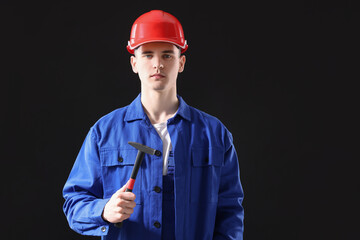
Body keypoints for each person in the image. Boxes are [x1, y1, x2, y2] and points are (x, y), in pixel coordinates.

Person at [63, 10, 244, 240]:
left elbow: (230, 213)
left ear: (181, 62)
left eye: (167, 55)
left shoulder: (214, 134)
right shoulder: (103, 133)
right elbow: (74, 203)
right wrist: (104, 211)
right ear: (134, 63)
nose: (157, 64)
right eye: (148, 55)